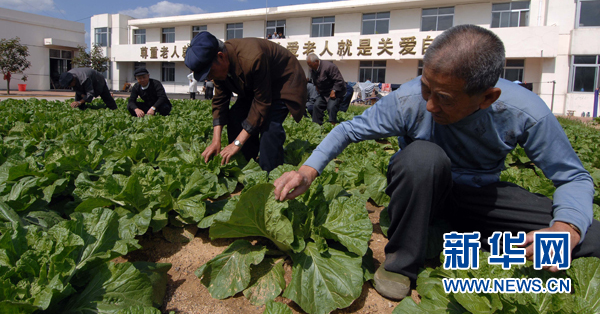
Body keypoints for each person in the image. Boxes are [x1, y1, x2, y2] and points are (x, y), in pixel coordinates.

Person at [273, 24, 600, 300]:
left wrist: (566, 227)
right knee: (421, 157)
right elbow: (347, 130)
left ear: (487, 97)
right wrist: (307, 170)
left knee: (591, 235)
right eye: (426, 88)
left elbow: (572, 177)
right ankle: (401, 263)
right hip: (424, 192)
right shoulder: (408, 100)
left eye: (443, 98)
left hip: (482, 196)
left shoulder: (526, 112)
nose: (428, 105)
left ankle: (465, 237)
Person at [185, 31, 307, 172]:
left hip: (283, 83)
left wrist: (237, 143)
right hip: (256, 86)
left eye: (210, 73)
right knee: (236, 116)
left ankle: (270, 175)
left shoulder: (252, 58)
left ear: (220, 56)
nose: (210, 78)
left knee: (269, 125)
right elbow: (219, 101)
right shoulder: (220, 67)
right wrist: (215, 140)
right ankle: (246, 165)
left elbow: (262, 103)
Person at [306, 53, 346, 125]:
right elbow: (315, 80)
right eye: (309, 65)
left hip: (335, 92)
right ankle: (317, 125)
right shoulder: (312, 70)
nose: (310, 67)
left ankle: (332, 125)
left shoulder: (329, 67)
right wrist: (317, 87)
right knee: (316, 105)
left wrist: (334, 90)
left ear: (316, 61)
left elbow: (339, 80)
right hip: (324, 93)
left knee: (331, 107)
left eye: (311, 65)